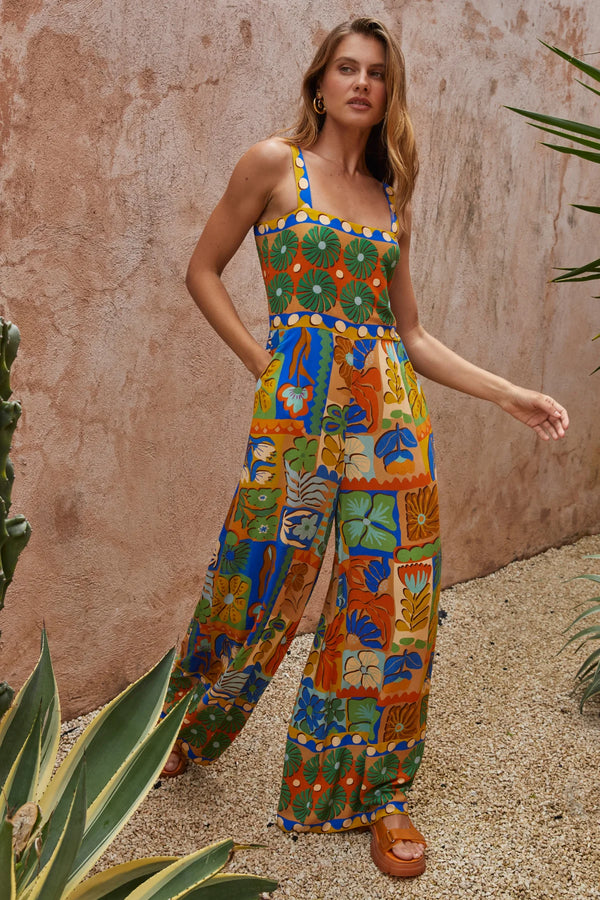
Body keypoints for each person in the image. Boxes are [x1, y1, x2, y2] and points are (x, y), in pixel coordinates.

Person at [159, 16, 568, 878]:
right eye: (345, 68)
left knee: (392, 601)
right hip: (300, 412)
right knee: (258, 569)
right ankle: (171, 740)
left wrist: (509, 395)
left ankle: (375, 794)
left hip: (390, 417)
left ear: (389, 94)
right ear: (319, 82)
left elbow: (411, 335)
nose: (360, 83)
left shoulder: (390, 200)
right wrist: (265, 364)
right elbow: (203, 269)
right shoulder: (272, 164)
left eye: (375, 73)